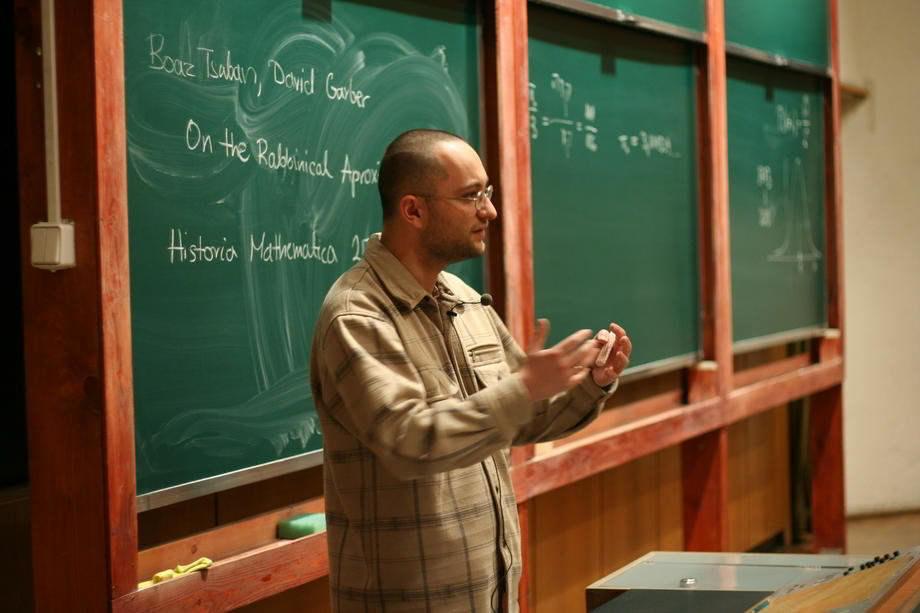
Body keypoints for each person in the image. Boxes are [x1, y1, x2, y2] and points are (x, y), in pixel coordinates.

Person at [309, 129, 631, 612]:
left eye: (488, 192)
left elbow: (518, 416)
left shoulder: (464, 299)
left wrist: (591, 384)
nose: (490, 211)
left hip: (491, 596)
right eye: (471, 196)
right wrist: (524, 388)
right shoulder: (358, 316)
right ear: (413, 211)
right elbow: (412, 442)